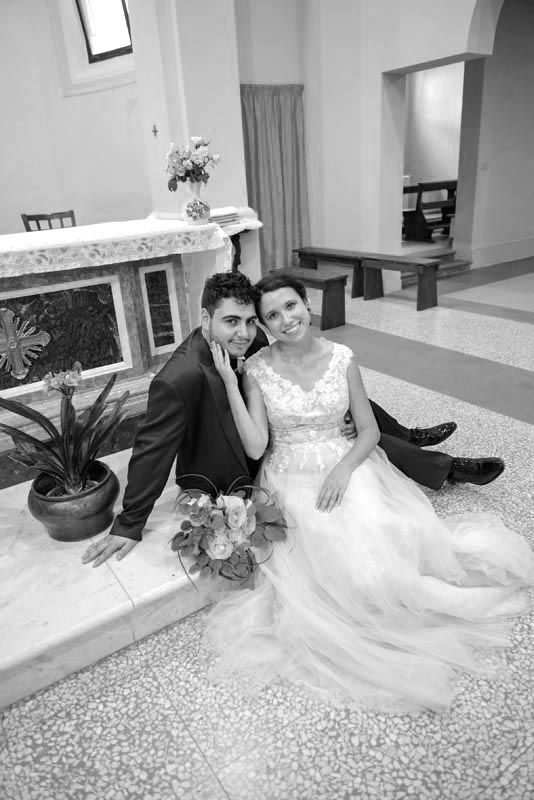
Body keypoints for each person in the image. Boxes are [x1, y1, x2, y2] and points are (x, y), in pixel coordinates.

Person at [206, 273, 533, 713]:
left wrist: (343, 470)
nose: (286, 320)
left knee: (386, 530)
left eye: (291, 306)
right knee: (339, 557)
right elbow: (256, 446)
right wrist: (231, 383)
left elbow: (369, 431)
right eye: (273, 315)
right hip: (290, 475)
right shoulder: (257, 371)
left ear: (307, 303)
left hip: (346, 463)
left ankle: (406, 588)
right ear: (264, 325)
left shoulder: (342, 357)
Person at [82, 271, 503, 568]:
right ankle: (434, 459)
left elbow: (306, 381)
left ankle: (413, 441)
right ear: (205, 319)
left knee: (337, 407)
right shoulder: (179, 378)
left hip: (285, 428)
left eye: (250, 321)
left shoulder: (252, 339)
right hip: (243, 457)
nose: (243, 333)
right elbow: (152, 449)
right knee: (330, 424)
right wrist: (130, 523)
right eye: (230, 322)